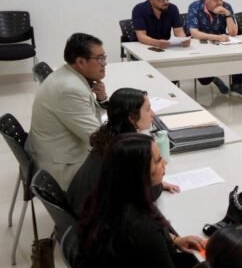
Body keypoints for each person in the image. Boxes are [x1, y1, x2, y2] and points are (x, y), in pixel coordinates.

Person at [79, 133, 205, 268]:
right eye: (157, 160)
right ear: (137, 173)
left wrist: (175, 240)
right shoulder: (140, 228)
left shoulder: (107, 199)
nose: (164, 162)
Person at [67, 88, 180, 216]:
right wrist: (157, 183)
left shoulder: (107, 136)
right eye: (148, 109)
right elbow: (141, 198)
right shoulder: (127, 149)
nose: (153, 114)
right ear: (132, 118)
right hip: (96, 221)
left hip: (79, 210)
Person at [26, 33, 107, 189]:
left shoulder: (66, 74)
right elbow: (97, 138)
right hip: (63, 167)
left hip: (52, 150)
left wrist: (102, 99)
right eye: (100, 59)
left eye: (104, 57)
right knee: (129, 171)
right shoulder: (70, 89)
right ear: (80, 62)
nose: (104, 64)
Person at [187, 0, 242, 98]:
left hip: (220, 43)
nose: (219, 2)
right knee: (204, 80)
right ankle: (214, 78)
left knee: (238, 53)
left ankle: (237, 86)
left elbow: (233, 32)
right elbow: (194, 33)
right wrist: (217, 37)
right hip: (201, 43)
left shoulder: (226, 7)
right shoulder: (195, 6)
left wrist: (227, 14)